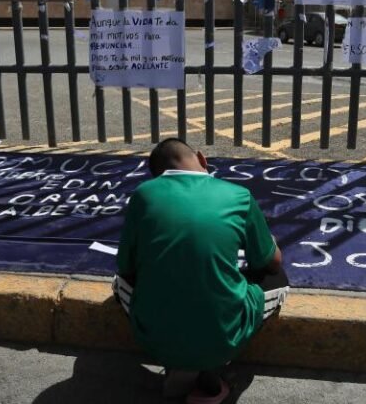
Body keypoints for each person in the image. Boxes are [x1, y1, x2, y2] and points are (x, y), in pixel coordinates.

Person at [113, 138, 289, 403]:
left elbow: (125, 267)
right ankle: (209, 369)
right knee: (278, 278)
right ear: (202, 158)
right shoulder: (238, 195)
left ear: (158, 176)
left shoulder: (143, 195)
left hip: (156, 341)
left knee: (119, 282)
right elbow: (271, 262)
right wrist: (269, 243)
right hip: (222, 337)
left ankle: (182, 363)